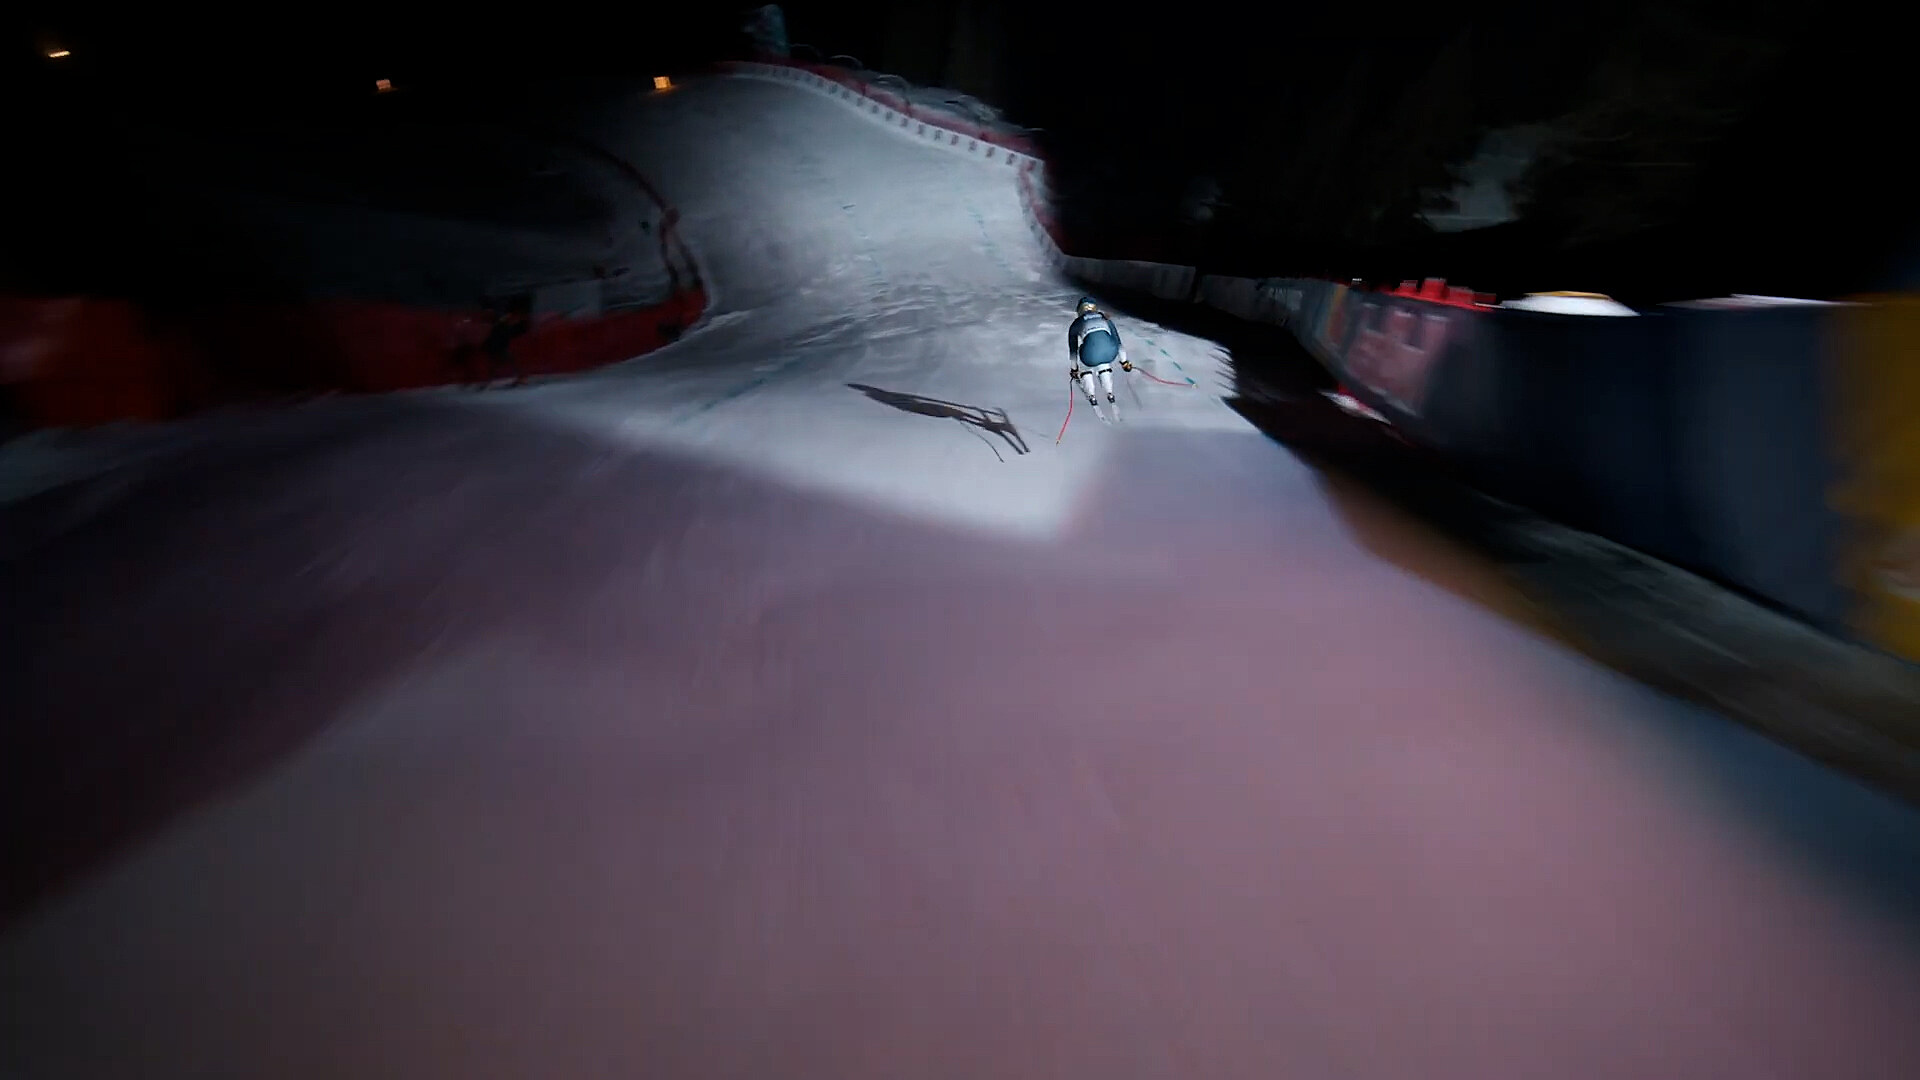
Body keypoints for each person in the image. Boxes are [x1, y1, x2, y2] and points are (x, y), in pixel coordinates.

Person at [1067, 296, 1131, 418]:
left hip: (1089, 356)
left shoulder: (1076, 323)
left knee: (1085, 357)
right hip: (1110, 353)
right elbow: (1118, 342)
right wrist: (1124, 362)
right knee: (1104, 361)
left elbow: (1073, 350)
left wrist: (1074, 369)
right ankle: (1109, 391)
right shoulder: (1105, 319)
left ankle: (1091, 393)